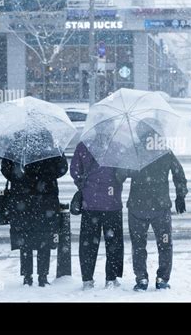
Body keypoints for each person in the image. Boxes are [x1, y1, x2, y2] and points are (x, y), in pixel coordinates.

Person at [123, 119, 188, 291]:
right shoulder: (164, 151)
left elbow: (119, 175)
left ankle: (142, 279)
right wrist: (180, 195)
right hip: (161, 207)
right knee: (165, 244)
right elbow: (178, 173)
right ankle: (162, 279)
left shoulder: (133, 151)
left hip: (137, 207)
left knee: (138, 245)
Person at [0, 130, 68, 287]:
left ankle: (27, 276)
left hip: (22, 200)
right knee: (44, 237)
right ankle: (43, 276)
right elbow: (62, 168)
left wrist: (21, 178)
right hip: (46, 199)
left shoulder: (17, 142)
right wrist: (46, 177)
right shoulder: (50, 142)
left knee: (26, 240)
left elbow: (5, 169)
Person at [70, 120, 125, 290]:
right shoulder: (118, 147)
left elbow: (74, 171)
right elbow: (123, 173)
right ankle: (111, 278)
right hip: (112, 205)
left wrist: (84, 187)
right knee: (113, 243)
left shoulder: (83, 146)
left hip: (90, 205)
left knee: (88, 244)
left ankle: (87, 280)